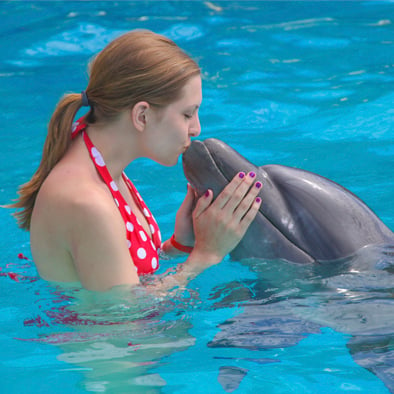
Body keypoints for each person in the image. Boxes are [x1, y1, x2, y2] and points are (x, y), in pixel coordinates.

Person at [9, 30, 262, 291]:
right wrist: (206, 256)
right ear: (142, 116)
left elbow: (115, 268)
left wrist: (178, 246)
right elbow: (125, 320)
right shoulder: (88, 202)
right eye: (187, 114)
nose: (196, 128)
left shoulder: (97, 157)